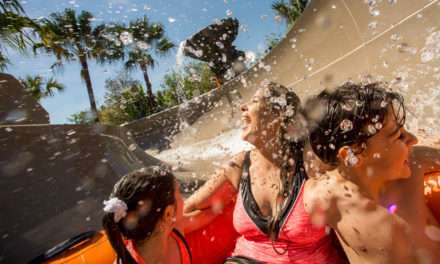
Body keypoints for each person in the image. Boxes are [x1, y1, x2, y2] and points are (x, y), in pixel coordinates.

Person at [184, 81, 343, 263]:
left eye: (254, 101)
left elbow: (361, 197)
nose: (243, 107)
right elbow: (191, 207)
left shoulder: (311, 162)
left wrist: (385, 209)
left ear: (279, 115)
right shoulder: (238, 166)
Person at [303, 81, 440, 263]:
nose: (413, 140)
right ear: (352, 153)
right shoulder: (321, 197)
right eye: (398, 135)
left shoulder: (416, 162)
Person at [102, 166, 191, 264]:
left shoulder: (173, 231)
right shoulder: (175, 232)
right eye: (179, 194)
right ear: (168, 214)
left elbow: (203, 210)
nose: (184, 201)